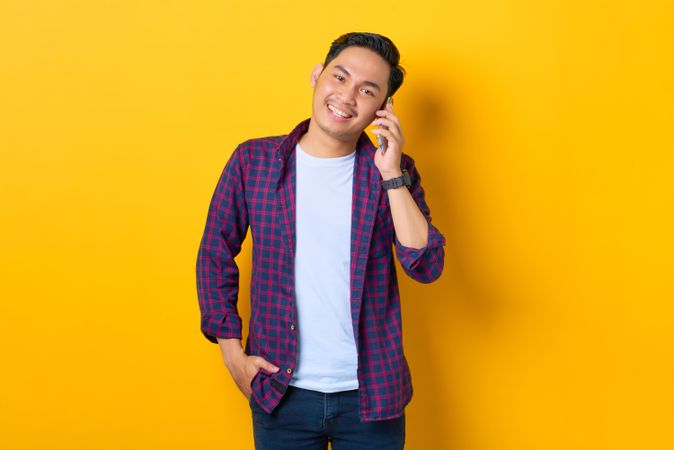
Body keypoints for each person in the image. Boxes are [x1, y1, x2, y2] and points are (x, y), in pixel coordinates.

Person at [196, 31, 446, 450]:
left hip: (372, 396)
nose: (347, 97)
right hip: (280, 393)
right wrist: (230, 351)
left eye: (367, 91)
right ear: (317, 75)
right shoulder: (254, 161)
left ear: (383, 108)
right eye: (340, 77)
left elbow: (425, 265)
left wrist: (391, 173)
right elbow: (214, 253)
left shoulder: (393, 174)